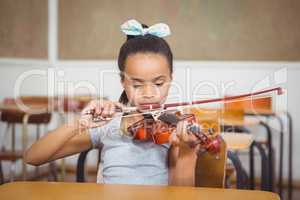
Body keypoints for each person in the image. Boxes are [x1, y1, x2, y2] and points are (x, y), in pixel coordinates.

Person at [25, 19, 199, 185]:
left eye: (159, 83)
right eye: (137, 85)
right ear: (123, 81)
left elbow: (181, 194)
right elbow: (33, 157)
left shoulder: (174, 132)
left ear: (170, 79)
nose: (148, 93)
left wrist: (187, 153)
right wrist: (79, 122)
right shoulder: (108, 126)